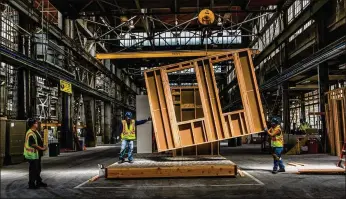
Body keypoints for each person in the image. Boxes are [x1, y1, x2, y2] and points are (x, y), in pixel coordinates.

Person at [23, 118, 48, 189]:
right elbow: (33, 144)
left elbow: (39, 141)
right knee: (33, 170)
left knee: (38, 169)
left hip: (37, 154)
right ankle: (31, 184)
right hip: (32, 155)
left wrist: (44, 145)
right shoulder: (30, 133)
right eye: (36, 123)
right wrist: (42, 148)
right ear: (32, 124)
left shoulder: (35, 131)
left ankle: (38, 182)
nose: (37, 124)